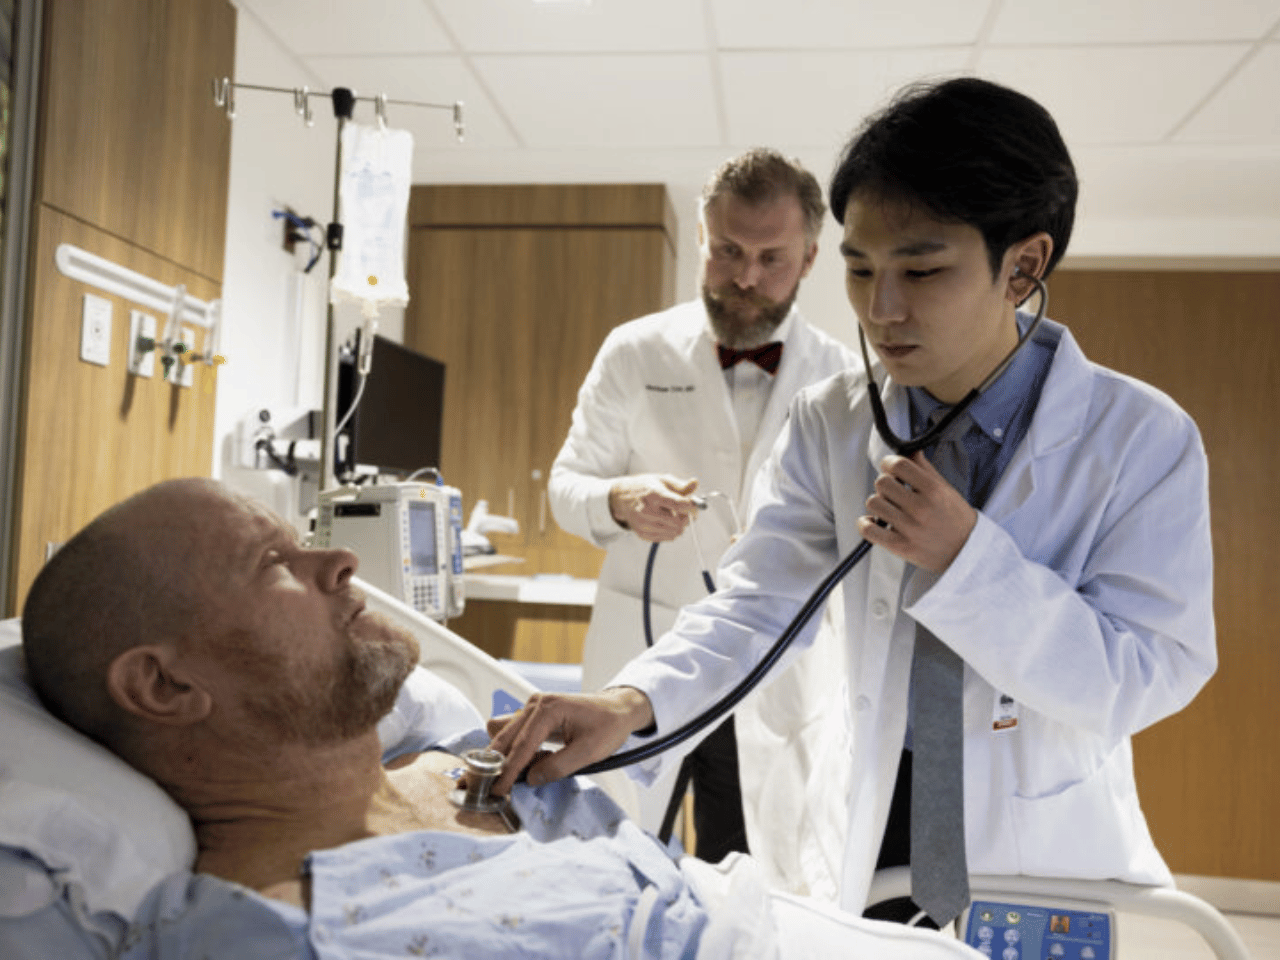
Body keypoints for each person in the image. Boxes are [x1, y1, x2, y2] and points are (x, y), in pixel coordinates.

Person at [489, 77, 1217, 926]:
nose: (881, 309)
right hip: (865, 829)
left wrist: (969, 560)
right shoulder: (831, 422)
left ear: (1023, 266)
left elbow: (1148, 672)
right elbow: (758, 603)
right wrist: (630, 702)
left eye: (921, 269)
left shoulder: (1141, 440)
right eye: (861, 268)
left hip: (1042, 848)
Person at [13, 477, 986, 960]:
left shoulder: (470, 769)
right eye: (274, 566)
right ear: (165, 689)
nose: (341, 565)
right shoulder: (267, 932)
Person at [549, 147, 857, 860]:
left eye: (771, 257)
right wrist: (618, 500)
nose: (746, 276)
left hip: (770, 672)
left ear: (811, 258)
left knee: (748, 870)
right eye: (728, 251)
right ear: (702, 238)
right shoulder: (634, 352)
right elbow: (568, 487)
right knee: (614, 854)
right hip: (643, 649)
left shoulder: (841, 378)